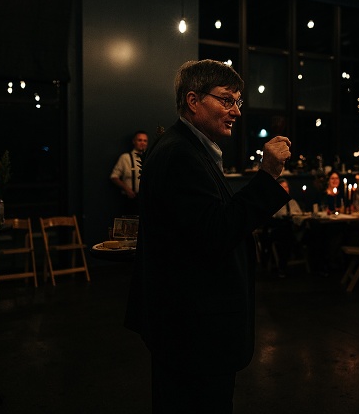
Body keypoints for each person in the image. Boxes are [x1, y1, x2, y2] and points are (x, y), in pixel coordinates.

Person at [124, 59, 291, 413]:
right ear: (193, 100)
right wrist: (267, 175)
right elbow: (216, 232)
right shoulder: (180, 154)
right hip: (193, 331)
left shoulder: (189, 149)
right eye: (226, 100)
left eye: (237, 102)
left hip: (189, 325)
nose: (235, 111)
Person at [266, 178, 305, 277]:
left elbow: (300, 215)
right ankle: (282, 267)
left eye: (286, 187)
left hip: (294, 228)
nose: (285, 189)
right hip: (278, 229)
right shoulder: (273, 202)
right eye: (282, 187)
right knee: (285, 235)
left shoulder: (292, 202)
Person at [110, 130, 149, 216]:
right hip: (130, 200)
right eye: (140, 140)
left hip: (146, 200)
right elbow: (114, 176)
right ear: (134, 141)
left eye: (145, 140)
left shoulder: (150, 158)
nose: (142, 143)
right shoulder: (125, 158)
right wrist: (127, 189)